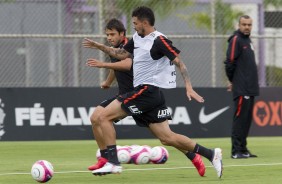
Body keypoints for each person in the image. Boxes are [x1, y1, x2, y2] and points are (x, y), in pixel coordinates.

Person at [83, 6, 223, 178]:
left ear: (144, 22)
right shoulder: (137, 38)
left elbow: (179, 62)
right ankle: (211, 154)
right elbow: (121, 54)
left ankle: (112, 162)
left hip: (146, 91)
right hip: (148, 94)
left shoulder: (159, 40)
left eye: (135, 23)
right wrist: (99, 46)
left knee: (104, 116)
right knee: (167, 138)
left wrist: (188, 86)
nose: (133, 26)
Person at [224, 15, 259, 159]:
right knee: (239, 120)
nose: (247, 27)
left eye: (249, 25)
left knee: (246, 120)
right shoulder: (236, 40)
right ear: (239, 25)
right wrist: (233, 81)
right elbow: (229, 62)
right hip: (241, 87)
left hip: (250, 88)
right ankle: (236, 151)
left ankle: (243, 149)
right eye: (244, 24)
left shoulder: (248, 40)